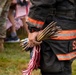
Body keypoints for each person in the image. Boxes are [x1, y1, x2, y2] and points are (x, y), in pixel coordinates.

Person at [25, 0, 76, 75]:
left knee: (54, 68)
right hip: (65, 25)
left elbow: (42, 1)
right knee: (61, 66)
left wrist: (34, 28)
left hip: (56, 31)